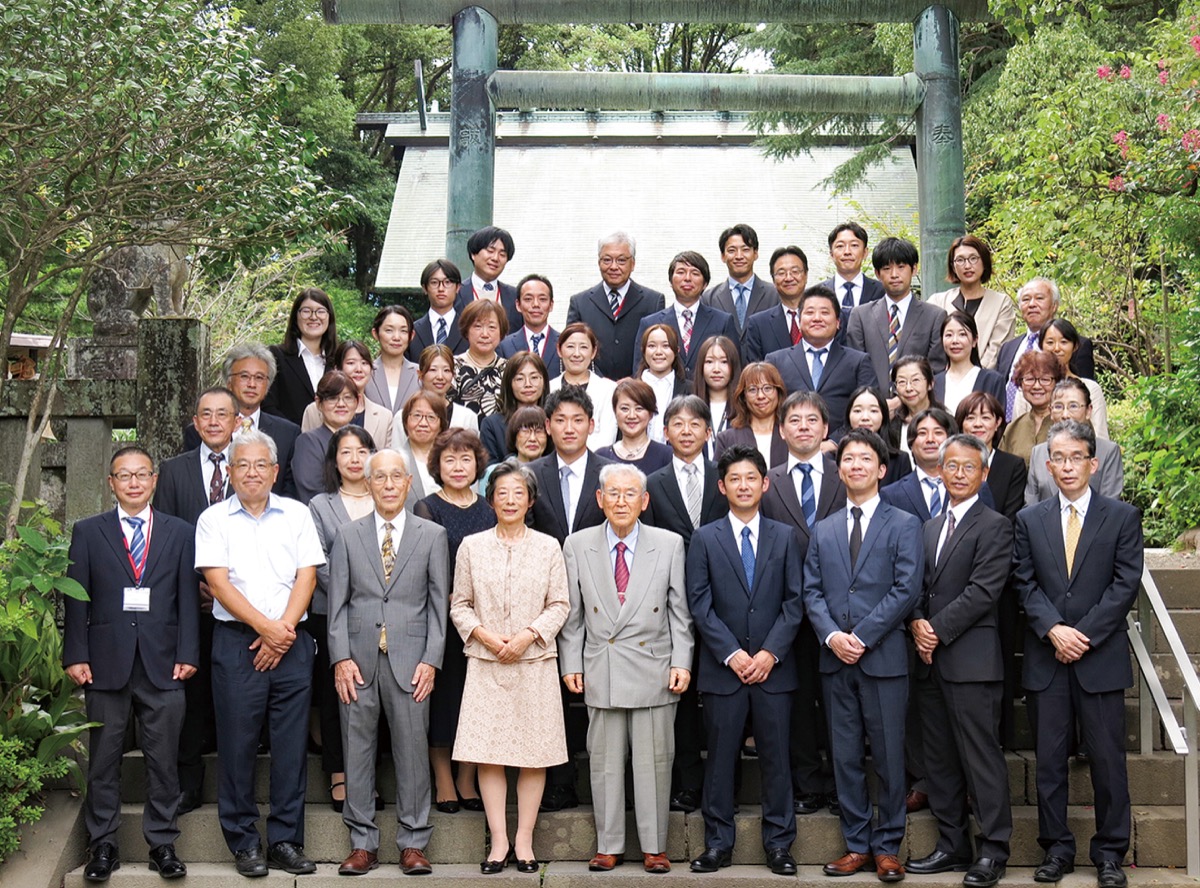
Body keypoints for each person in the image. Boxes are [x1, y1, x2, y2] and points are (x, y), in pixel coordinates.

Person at [1014, 420, 1142, 888]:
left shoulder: (1122, 517)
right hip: (1048, 660)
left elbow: (1124, 585)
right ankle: (1056, 850)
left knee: (1109, 761)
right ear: (1047, 465)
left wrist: (1079, 635)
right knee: (1048, 762)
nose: (1067, 467)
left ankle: (1109, 853)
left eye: (1076, 458)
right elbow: (1022, 583)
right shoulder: (1029, 520)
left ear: (1093, 462)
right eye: (1059, 458)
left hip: (1099, 658)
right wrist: (1053, 630)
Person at [65, 445, 199, 883]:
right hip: (104, 663)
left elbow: (187, 601)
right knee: (104, 758)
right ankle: (102, 843)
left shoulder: (180, 532)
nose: (135, 483)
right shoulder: (88, 532)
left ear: (155, 480)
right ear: (111, 483)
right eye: (125, 476)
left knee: (164, 759)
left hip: (164, 664)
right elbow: (76, 598)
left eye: (142, 475)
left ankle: (162, 843)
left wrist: (187, 653)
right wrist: (76, 655)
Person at [194, 430, 324, 878]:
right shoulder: (213, 519)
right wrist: (266, 629)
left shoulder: (297, 514)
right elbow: (219, 584)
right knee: (237, 743)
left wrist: (282, 631)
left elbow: (307, 575)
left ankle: (286, 840)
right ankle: (244, 841)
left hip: (292, 641)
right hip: (236, 643)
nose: (252, 472)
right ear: (229, 472)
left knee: (290, 746)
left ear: (274, 470)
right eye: (241, 465)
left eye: (260, 465)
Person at [802, 428, 924, 883]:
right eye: (848, 459)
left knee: (890, 756)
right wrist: (833, 636)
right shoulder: (825, 528)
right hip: (835, 661)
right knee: (845, 755)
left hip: (883, 659)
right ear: (839, 469)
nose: (855, 465)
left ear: (881, 468)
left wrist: (864, 635)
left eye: (864, 459)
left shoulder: (904, 524)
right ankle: (856, 844)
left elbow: (907, 587)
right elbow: (810, 590)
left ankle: (888, 846)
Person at [561, 464, 693, 874]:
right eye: (613, 493)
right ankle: (609, 843)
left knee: (655, 760)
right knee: (603, 761)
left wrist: (681, 662)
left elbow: (680, 614)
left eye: (630, 494)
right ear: (599, 499)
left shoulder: (669, 544)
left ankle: (655, 846)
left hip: (653, 666)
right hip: (602, 665)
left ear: (645, 500)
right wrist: (572, 663)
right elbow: (573, 616)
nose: (621, 501)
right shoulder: (577, 544)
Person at [326, 448, 450, 878]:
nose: (390, 485)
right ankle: (362, 844)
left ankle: (414, 843)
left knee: (413, 752)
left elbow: (438, 606)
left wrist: (432, 660)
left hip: (412, 661)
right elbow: (337, 604)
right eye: (380, 478)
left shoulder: (431, 535)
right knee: (356, 750)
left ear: (409, 482)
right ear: (368, 482)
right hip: (358, 662)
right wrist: (340, 658)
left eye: (397, 476)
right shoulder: (347, 535)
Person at [686, 445, 805, 876]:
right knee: (719, 760)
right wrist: (734, 654)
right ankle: (718, 843)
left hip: (775, 670)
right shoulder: (704, 538)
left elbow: (796, 602)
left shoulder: (785, 537)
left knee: (777, 758)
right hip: (724, 671)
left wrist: (770, 653)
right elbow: (699, 605)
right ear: (722, 486)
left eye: (750, 478)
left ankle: (779, 845)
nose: (743, 485)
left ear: (764, 483)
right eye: (734, 479)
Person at [450, 460, 571, 873]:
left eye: (518, 492)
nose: (510, 499)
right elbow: (459, 605)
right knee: (490, 755)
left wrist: (527, 635)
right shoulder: (471, 546)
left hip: (534, 661)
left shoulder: (548, 546)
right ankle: (498, 842)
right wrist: (484, 635)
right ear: (490, 499)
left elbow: (560, 604)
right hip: (486, 663)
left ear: (530, 500)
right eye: (502, 492)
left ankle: (524, 842)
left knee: (534, 755)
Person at [907, 434, 1014, 887]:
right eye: (951, 466)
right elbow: (915, 586)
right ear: (939, 470)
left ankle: (994, 849)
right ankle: (952, 844)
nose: (959, 474)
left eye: (969, 468)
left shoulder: (996, 525)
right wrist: (916, 622)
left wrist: (935, 630)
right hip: (930, 662)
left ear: (984, 473)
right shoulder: (929, 526)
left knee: (980, 758)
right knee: (940, 760)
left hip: (971, 661)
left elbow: (983, 592)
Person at [760, 391, 847, 817]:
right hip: (787, 610)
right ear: (781, 430)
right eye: (794, 420)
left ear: (825, 429)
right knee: (798, 703)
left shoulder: (845, 474)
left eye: (812, 420)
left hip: (838, 611)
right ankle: (808, 783)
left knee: (837, 702)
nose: (803, 427)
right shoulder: (767, 481)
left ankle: (840, 783)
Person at [642, 395, 730, 814]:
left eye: (696, 424)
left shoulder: (723, 477)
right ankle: (687, 782)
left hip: (723, 601)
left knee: (717, 697)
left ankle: (721, 780)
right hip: (670, 601)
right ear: (665, 432)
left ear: (708, 432)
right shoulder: (653, 482)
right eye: (678, 424)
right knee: (679, 699)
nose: (687, 431)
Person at [154, 388, 237, 816]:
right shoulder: (171, 471)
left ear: (236, 421)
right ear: (195, 421)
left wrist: (229, 588)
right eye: (206, 414)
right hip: (189, 601)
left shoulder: (252, 465)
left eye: (223, 414)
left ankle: (235, 787)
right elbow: (166, 536)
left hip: (244, 605)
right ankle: (187, 782)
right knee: (188, 693)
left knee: (235, 696)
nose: (214, 421)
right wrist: (198, 585)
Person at [412, 429, 496, 815]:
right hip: (442, 622)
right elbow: (426, 567)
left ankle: (467, 778)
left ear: (478, 464)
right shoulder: (427, 508)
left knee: (477, 703)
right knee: (445, 701)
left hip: (486, 623)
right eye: (450, 460)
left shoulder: (490, 508)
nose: (459, 467)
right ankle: (444, 780)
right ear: (437, 466)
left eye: (466, 459)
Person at [308, 426, 377, 814]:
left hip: (383, 617)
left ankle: (368, 777)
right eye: (346, 451)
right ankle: (339, 774)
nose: (355, 458)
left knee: (376, 694)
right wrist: (357, 594)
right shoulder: (320, 505)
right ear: (335, 460)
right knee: (339, 696)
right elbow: (318, 560)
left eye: (362, 450)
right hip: (331, 613)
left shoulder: (388, 496)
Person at [183, 343, 299, 497]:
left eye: (259, 378)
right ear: (229, 381)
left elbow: (289, 492)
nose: (252, 384)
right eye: (244, 376)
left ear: (268, 385)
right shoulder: (200, 431)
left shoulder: (288, 433)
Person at [846, 237, 948, 399]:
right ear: (878, 274)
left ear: (914, 269)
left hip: (918, 412)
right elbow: (856, 367)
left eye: (901, 267)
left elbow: (935, 369)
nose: (894, 274)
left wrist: (903, 402)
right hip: (873, 410)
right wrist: (879, 405)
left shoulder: (935, 316)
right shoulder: (860, 316)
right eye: (887, 268)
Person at [766, 284, 877, 426]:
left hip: (842, 446)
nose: (817, 318)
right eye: (810, 312)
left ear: (838, 322)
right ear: (799, 321)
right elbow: (767, 411)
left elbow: (868, 411)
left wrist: (835, 442)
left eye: (825, 313)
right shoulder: (775, 361)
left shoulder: (859, 362)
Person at [565, 231, 666, 381]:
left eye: (621, 260)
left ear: (633, 264)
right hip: (592, 388)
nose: (613, 266)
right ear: (598, 262)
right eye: (607, 260)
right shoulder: (580, 302)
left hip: (639, 389)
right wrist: (600, 382)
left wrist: (635, 380)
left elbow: (659, 348)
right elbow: (573, 347)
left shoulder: (653, 301)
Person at [527, 385, 615, 548]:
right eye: (560, 420)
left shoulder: (611, 474)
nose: (569, 429)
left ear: (591, 425)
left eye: (578, 420)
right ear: (548, 426)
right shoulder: (531, 474)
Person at [996, 277, 1096, 419]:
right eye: (1026, 299)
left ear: (1054, 305)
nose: (1032, 304)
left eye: (1039, 298)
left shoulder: (1077, 345)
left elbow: (1085, 397)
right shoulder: (1008, 348)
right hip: (1008, 432)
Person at [291, 369, 390, 504]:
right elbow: (312, 492)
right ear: (319, 403)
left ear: (357, 401)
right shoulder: (308, 442)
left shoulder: (364, 439)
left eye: (348, 397)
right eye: (332, 398)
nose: (341, 404)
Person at [635, 250, 738, 378]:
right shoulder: (651, 323)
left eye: (695, 273)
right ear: (671, 281)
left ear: (705, 284)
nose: (687, 278)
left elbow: (734, 367)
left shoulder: (723, 321)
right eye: (681, 272)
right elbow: (639, 370)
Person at [1026, 379, 1124, 504]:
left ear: (1088, 410)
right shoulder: (1038, 453)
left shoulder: (1108, 451)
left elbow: (1110, 505)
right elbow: (1031, 506)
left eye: (1073, 406)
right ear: (1050, 412)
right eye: (1058, 407)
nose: (1065, 414)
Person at [926, 236, 1017, 370]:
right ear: (953, 266)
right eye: (960, 260)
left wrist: (973, 378)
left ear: (984, 262)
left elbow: (997, 351)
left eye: (973, 258)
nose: (967, 266)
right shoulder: (937, 302)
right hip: (943, 382)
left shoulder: (1001, 303)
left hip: (984, 383)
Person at [264, 287, 337, 426]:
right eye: (306, 311)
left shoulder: (338, 359)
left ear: (329, 317)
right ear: (295, 316)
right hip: (289, 442)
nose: (314, 317)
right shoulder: (275, 356)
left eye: (320, 311)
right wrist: (294, 433)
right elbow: (268, 405)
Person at [299, 341, 395, 446]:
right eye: (351, 363)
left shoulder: (384, 417)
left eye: (364, 363)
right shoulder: (313, 411)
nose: (359, 369)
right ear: (337, 368)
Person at [701, 223, 781, 342]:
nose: (739, 256)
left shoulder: (774, 295)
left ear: (755, 253)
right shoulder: (709, 298)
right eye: (732, 250)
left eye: (745, 250)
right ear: (723, 256)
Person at [955, 392, 1028, 523]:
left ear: (997, 423)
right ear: (961, 424)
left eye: (986, 418)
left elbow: (1010, 518)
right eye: (970, 418)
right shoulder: (950, 463)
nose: (977, 424)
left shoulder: (1012, 466)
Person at [549, 322, 619, 449]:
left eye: (583, 347)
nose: (576, 354)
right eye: (570, 346)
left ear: (593, 352)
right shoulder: (548, 388)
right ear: (559, 350)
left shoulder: (609, 389)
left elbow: (608, 436)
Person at [1038, 318, 1108, 438]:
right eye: (1050, 342)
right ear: (1041, 346)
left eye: (1064, 342)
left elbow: (1100, 435)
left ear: (1075, 346)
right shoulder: (1032, 388)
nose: (1056, 348)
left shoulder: (1091, 389)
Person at [714, 361, 789, 468]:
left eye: (767, 388)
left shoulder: (791, 435)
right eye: (752, 390)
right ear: (743, 397)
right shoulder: (727, 439)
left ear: (778, 392)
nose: (761, 396)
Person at [835, 386, 912, 487]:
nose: (865, 417)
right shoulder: (833, 458)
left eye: (873, 411)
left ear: (883, 416)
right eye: (858, 411)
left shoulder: (900, 460)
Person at [744, 245, 810, 362]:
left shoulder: (824, 317)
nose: (788, 278)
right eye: (781, 273)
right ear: (773, 281)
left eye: (795, 271)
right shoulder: (759, 324)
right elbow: (756, 372)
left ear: (805, 275)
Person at [934, 311, 1007, 416]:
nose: (955, 341)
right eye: (949, 335)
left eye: (962, 334)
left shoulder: (992, 380)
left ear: (974, 340)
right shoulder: (934, 383)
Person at [479, 351, 547, 464]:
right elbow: (488, 471)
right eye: (520, 379)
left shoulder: (554, 422)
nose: (528, 384)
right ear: (509, 383)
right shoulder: (492, 425)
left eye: (534, 377)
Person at [400, 344, 479, 440]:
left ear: (453, 375)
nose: (440, 377)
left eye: (446, 370)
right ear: (420, 374)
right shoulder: (403, 416)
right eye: (433, 370)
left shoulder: (467, 417)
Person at [999, 350, 1064, 465]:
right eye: (1029, 379)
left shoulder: (1068, 421)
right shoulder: (1013, 428)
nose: (1037, 386)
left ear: (1057, 382)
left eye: (1045, 379)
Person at [821, 221, 885, 339]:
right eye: (840, 246)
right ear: (831, 254)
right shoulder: (817, 293)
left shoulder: (882, 292)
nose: (847, 252)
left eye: (854, 245)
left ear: (865, 252)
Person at [597, 377, 674, 474]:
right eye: (625, 409)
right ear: (615, 411)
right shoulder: (601, 456)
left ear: (650, 413)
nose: (632, 416)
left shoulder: (667, 456)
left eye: (639, 409)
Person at [456, 225, 523, 333]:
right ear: (474, 254)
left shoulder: (515, 296)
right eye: (490, 251)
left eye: (502, 254)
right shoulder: (456, 293)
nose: (495, 258)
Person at [451, 299, 509, 418]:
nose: (485, 334)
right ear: (466, 330)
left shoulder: (509, 369)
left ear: (501, 332)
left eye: (492, 327)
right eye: (477, 326)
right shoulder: (452, 366)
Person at [497, 273, 561, 377]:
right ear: (518, 305)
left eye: (542, 299)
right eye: (528, 299)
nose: (535, 304)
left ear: (551, 305)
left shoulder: (564, 343)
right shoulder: (504, 346)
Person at [396, 391, 450, 508]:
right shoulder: (394, 459)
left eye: (431, 417)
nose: (423, 423)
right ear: (405, 421)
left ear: (441, 424)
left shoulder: (451, 460)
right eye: (417, 416)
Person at [636, 323, 690, 439]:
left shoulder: (691, 389)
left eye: (666, 346)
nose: (658, 352)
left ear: (677, 350)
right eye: (652, 346)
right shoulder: (631, 389)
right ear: (643, 350)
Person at [365, 305, 421, 414]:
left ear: (411, 335)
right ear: (375, 334)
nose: (396, 337)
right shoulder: (365, 372)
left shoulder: (420, 374)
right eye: (389, 330)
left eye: (403, 331)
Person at [408, 259, 467, 361]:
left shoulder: (468, 329)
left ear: (457, 287)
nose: (441, 288)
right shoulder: (411, 331)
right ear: (425, 288)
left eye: (447, 282)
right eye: (434, 282)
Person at [693, 334, 741, 459]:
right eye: (709, 362)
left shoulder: (743, 408)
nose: (716, 369)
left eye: (724, 362)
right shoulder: (690, 408)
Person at [891, 356, 945, 459]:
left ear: (930, 384)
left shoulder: (946, 420)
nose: (908, 388)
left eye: (915, 380)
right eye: (902, 382)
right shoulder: (893, 425)